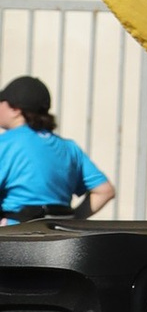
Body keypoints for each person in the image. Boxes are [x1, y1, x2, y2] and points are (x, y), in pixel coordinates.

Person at [0, 78, 110, 220]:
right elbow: (105, 191)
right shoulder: (69, 148)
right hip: (59, 237)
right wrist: (73, 220)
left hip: (16, 236)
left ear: (15, 109)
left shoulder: (5, 144)